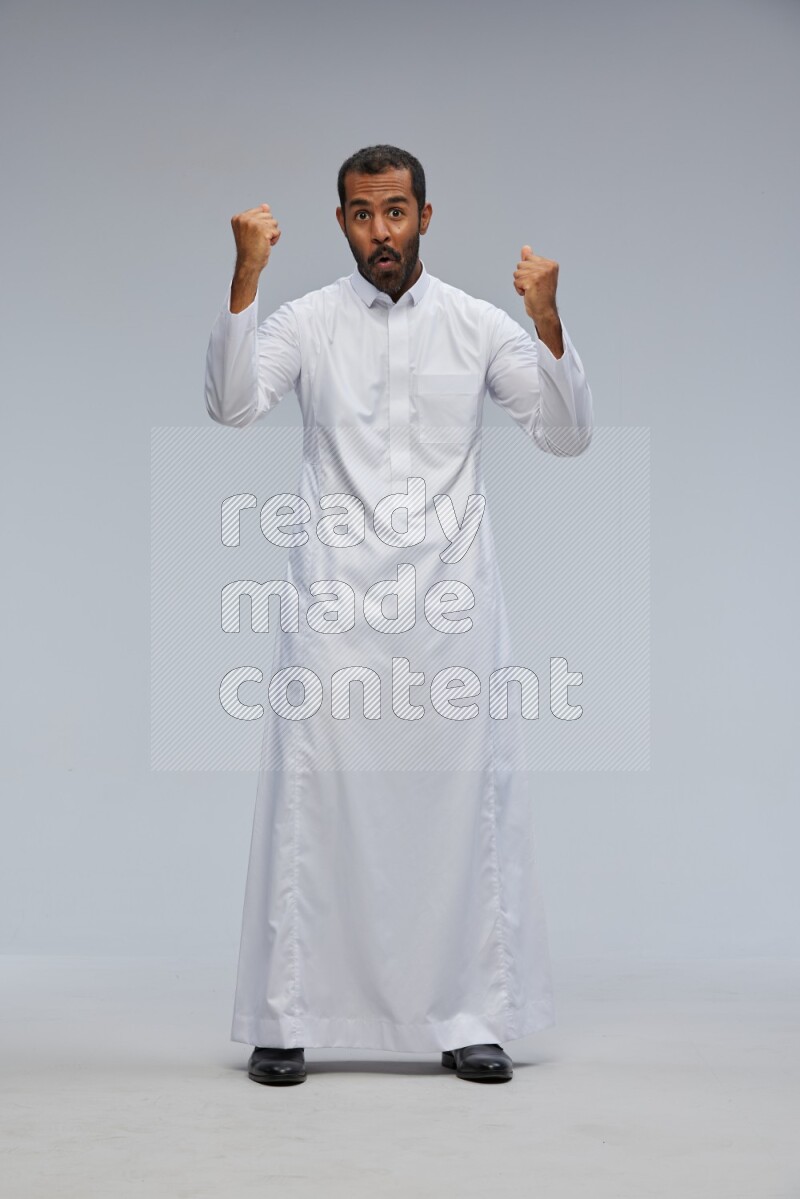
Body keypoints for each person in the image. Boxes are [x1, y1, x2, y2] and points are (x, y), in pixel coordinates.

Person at [205, 144, 593, 1085]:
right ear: (340, 222)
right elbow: (231, 404)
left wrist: (546, 319)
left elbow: (566, 434)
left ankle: (468, 1017)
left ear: (426, 215)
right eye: (363, 214)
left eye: (396, 211)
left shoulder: (476, 324)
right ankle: (286, 1017)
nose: (381, 231)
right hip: (334, 602)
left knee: (461, 810)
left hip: (448, 607)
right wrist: (246, 276)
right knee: (313, 802)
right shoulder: (307, 321)